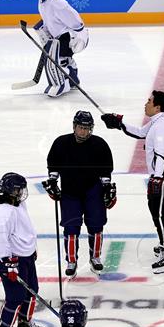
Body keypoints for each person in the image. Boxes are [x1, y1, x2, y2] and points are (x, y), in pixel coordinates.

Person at [102, 91, 164, 273]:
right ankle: (163, 244)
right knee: (155, 211)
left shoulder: (162, 126)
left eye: (149, 101)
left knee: (162, 214)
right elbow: (139, 133)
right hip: (160, 176)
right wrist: (119, 123)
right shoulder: (156, 123)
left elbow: (162, 155)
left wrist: (157, 179)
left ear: (157, 107)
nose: (145, 104)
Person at [44, 111, 116, 277]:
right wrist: (53, 181)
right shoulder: (61, 143)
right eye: (80, 128)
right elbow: (53, 165)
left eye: (86, 128)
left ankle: (95, 257)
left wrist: (106, 187)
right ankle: (71, 260)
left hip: (93, 190)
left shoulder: (99, 144)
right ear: (74, 127)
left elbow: (106, 169)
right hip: (70, 191)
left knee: (97, 225)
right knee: (70, 227)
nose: (83, 131)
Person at [0, 172, 45, 327]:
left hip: (26, 256)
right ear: (11, 190)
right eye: (19, 189)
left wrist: (32, 248)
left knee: (32, 291)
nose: (22, 192)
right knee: (15, 297)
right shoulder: (2, 213)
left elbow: (27, 228)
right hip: (12, 260)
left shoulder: (20, 204)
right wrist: (8, 263)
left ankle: (24, 323)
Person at [35, 0, 89, 98]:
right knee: (63, 58)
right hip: (60, 35)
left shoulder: (57, 2)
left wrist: (79, 32)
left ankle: (62, 85)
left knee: (56, 60)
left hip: (71, 35)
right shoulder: (42, 3)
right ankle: (72, 80)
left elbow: (74, 17)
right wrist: (45, 29)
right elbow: (51, 19)